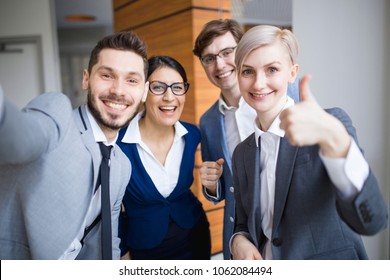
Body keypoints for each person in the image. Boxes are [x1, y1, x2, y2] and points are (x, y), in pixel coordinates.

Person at [230, 25, 388, 260]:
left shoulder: (329, 124)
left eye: (272, 69)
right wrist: (238, 240)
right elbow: (243, 222)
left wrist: (336, 141)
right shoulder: (242, 153)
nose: (258, 84)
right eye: (247, 71)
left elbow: (373, 221)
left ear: (292, 73)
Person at [0, 31, 149, 260]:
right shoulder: (58, 114)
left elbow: (106, 239)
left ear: (144, 92)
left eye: (131, 80)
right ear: (86, 79)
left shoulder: (122, 166)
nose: (119, 91)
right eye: (107, 75)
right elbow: (21, 137)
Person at [192, 19, 299, 259]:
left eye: (227, 52)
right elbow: (222, 191)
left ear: (243, 52)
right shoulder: (208, 121)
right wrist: (211, 185)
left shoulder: (288, 94)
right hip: (242, 241)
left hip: (294, 237)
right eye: (209, 58)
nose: (219, 65)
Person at [117, 55, 211, 260]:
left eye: (177, 87)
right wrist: (122, 252)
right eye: (158, 87)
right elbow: (110, 210)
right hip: (144, 247)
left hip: (194, 235)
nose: (170, 97)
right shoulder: (117, 145)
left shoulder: (192, 134)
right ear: (143, 92)